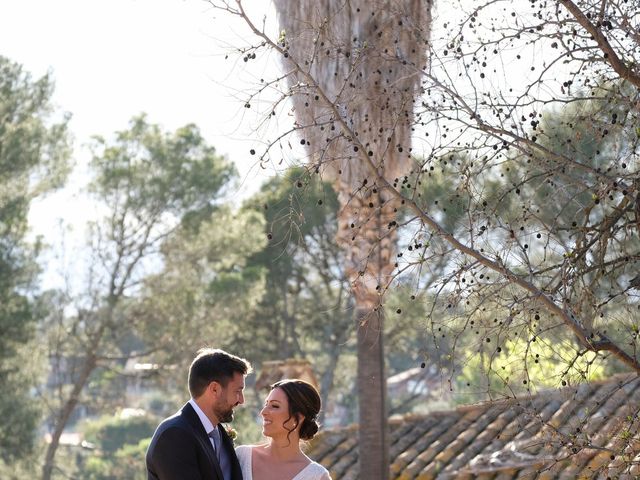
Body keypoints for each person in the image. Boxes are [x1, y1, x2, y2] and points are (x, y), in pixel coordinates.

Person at [146, 348, 252, 480]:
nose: (241, 400)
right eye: (237, 391)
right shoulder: (174, 435)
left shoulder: (219, 433)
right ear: (214, 389)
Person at [235, 379, 332, 480]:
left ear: (298, 417)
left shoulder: (317, 476)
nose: (263, 412)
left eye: (275, 406)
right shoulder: (242, 456)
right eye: (266, 404)